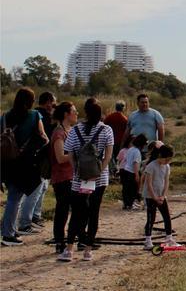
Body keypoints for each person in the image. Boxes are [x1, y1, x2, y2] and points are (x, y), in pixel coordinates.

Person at [58, 99, 113, 262]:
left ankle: (69, 250)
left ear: (86, 113)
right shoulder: (106, 130)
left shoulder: (75, 130)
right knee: (93, 213)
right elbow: (108, 155)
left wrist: (78, 172)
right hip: (100, 179)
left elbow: (71, 155)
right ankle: (88, 250)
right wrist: (98, 172)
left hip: (79, 179)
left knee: (77, 213)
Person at [1, 88, 48, 246]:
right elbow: (44, 138)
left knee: (13, 197)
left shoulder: (5, 117)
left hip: (7, 161)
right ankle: (8, 234)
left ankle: (10, 229)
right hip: (24, 162)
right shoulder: (34, 115)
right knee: (15, 198)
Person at [18, 92, 56, 234]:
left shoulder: (27, 115)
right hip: (38, 158)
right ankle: (26, 222)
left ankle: (32, 218)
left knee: (40, 188)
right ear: (48, 102)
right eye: (53, 102)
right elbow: (45, 137)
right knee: (35, 190)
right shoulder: (40, 116)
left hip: (28, 157)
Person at [48, 101, 76, 253]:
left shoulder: (71, 130)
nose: (76, 114)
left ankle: (73, 238)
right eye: (74, 111)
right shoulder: (59, 133)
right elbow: (60, 157)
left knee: (75, 209)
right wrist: (76, 154)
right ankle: (59, 241)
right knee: (62, 210)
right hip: (61, 177)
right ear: (66, 114)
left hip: (72, 175)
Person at [143, 145, 178, 250]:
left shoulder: (167, 167)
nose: (167, 162)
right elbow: (148, 184)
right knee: (151, 218)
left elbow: (166, 182)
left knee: (167, 216)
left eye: (169, 160)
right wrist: (154, 197)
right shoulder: (151, 166)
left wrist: (163, 196)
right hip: (150, 196)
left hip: (161, 196)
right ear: (160, 156)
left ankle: (169, 238)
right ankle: (148, 240)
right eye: (166, 159)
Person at [120, 134, 147, 210]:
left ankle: (126, 204)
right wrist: (137, 175)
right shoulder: (137, 152)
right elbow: (136, 163)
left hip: (126, 170)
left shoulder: (130, 149)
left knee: (126, 189)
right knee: (133, 189)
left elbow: (125, 160)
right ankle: (131, 204)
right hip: (132, 172)